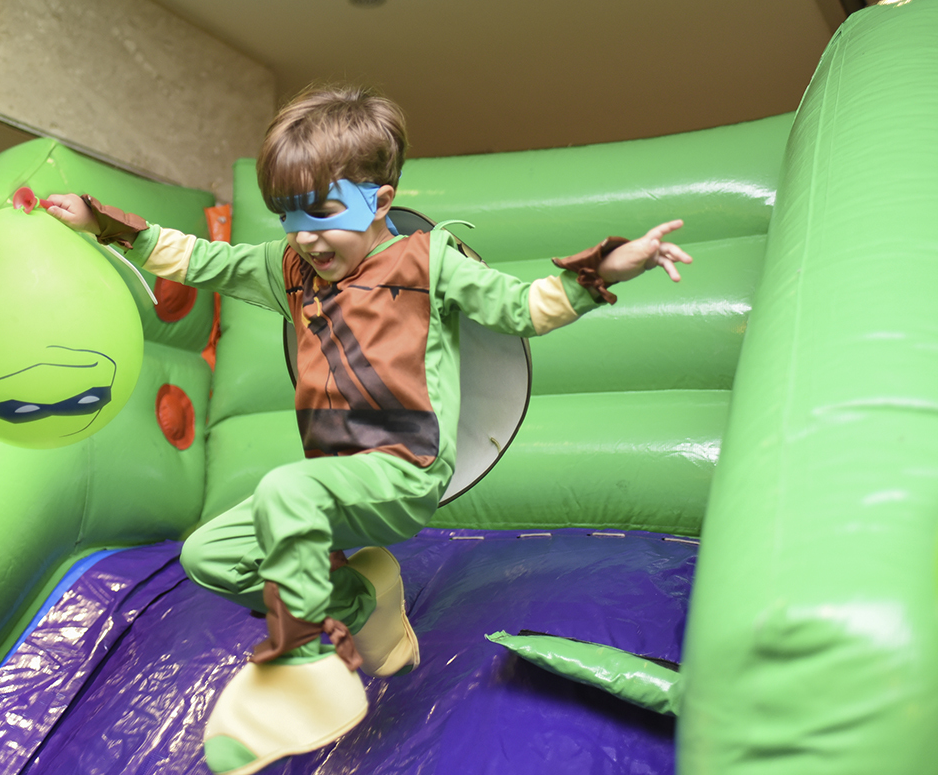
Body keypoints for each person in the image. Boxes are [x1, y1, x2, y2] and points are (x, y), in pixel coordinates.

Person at [43, 84, 691, 775]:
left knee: (289, 491)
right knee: (210, 555)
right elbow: (201, 260)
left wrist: (604, 271)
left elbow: (523, 309)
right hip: (334, 485)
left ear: (379, 202)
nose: (306, 235)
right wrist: (103, 222)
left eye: (323, 214)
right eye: (288, 216)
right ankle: (361, 599)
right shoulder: (290, 268)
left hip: (402, 469)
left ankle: (303, 657)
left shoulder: (426, 262)